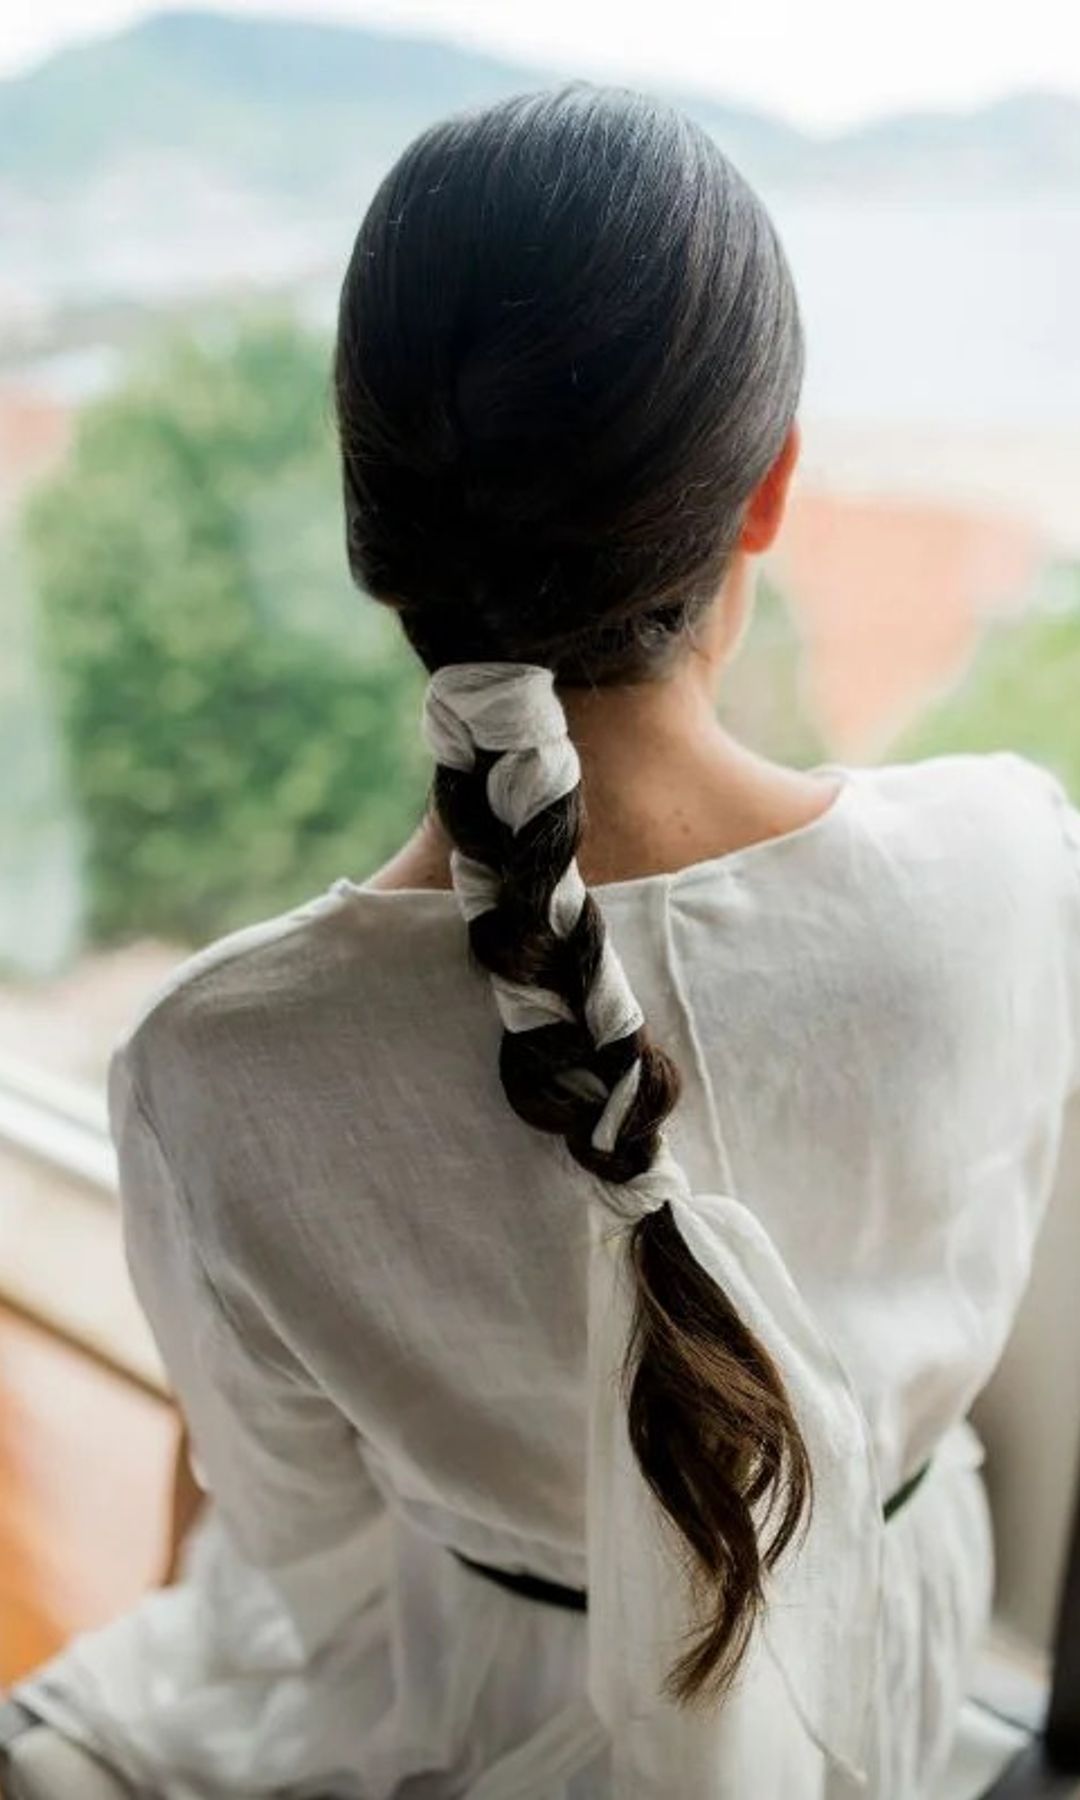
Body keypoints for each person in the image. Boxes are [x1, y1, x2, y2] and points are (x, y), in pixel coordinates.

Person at [4, 82, 1080, 1800]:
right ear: (771, 492)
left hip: (479, 1714)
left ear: (377, 540)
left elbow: (294, 1542)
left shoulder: (215, 1067)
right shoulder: (1014, 866)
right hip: (880, 1669)